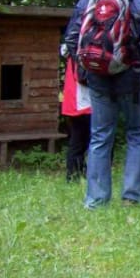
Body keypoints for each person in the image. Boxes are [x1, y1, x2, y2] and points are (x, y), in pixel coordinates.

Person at [63, 0, 140, 208]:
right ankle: (133, 196)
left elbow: (72, 39)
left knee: (99, 136)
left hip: (97, 78)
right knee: (137, 133)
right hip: (132, 78)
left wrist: (86, 70)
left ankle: (95, 200)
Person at [59, 46, 91, 182]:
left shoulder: (71, 43)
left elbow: (64, 50)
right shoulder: (81, 42)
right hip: (81, 98)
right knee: (80, 139)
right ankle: (74, 175)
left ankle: (79, 174)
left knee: (79, 140)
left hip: (77, 98)